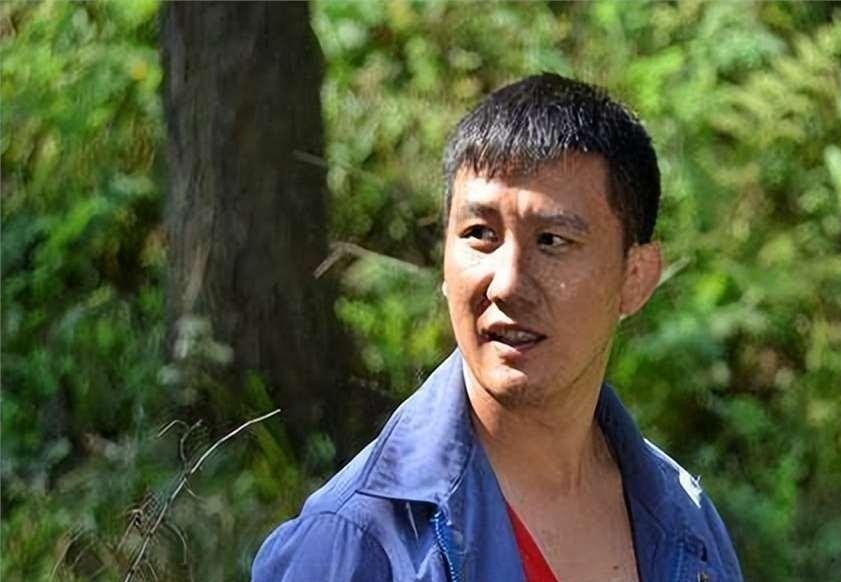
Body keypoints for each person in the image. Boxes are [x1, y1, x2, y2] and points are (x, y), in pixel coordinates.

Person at [252, 73, 743, 582]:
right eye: (480, 234)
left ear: (635, 277)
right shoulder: (357, 544)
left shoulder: (684, 522)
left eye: (552, 240)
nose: (506, 284)